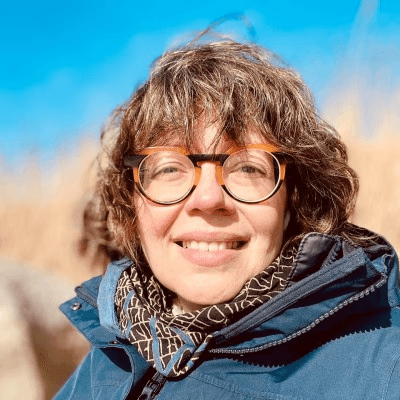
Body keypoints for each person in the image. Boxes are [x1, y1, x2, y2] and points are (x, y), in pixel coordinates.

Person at [54, 37, 400, 400]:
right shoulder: (102, 363)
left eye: (248, 167)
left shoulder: (384, 373)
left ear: (293, 202)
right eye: (169, 168)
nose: (208, 199)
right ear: (133, 205)